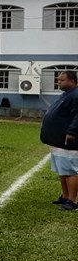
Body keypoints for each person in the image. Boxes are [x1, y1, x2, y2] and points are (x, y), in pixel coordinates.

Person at [40, 70, 78, 211]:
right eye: (58, 80)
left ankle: (72, 201)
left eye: (62, 80)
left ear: (72, 81)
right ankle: (65, 196)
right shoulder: (67, 94)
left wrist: (72, 131)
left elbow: (77, 115)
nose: (58, 82)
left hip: (69, 142)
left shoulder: (76, 95)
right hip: (59, 141)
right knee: (62, 170)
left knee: (70, 171)